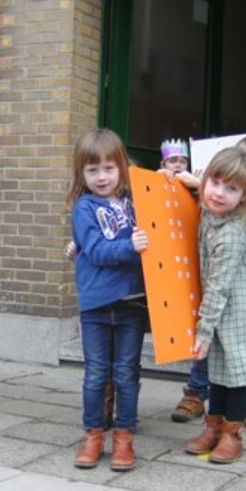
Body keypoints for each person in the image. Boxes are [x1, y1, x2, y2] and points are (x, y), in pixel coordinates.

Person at [171, 134, 246, 428]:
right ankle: (212, 427)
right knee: (218, 365)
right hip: (229, 299)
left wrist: (204, 332)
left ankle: (232, 433)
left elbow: (219, 286)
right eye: (215, 183)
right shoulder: (211, 209)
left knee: (238, 369)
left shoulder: (235, 228)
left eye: (231, 188)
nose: (219, 193)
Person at [68, 128, 149, 472]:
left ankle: (125, 438)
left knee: (127, 373)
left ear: (123, 167)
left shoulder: (138, 200)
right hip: (97, 304)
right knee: (96, 373)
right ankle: (93, 435)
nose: (101, 177)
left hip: (133, 302)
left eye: (109, 168)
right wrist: (130, 246)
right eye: (92, 170)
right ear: (81, 174)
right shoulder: (84, 207)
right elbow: (98, 251)